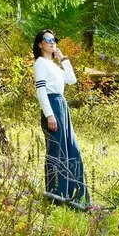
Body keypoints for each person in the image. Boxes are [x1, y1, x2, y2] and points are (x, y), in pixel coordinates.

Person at [33, 29, 90, 209]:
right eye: (48, 39)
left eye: (54, 39)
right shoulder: (40, 63)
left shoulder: (55, 66)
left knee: (72, 150)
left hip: (62, 107)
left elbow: (72, 79)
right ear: (40, 44)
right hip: (52, 106)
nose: (52, 42)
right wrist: (49, 114)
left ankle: (76, 198)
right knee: (57, 153)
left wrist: (63, 59)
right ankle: (56, 198)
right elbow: (41, 90)